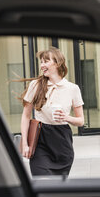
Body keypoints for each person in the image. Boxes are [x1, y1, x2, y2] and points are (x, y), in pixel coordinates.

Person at [20, 47, 84, 176]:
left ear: (57, 63)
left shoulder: (72, 89)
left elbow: (81, 121)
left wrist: (66, 117)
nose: (42, 65)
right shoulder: (35, 85)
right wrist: (25, 144)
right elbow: (26, 116)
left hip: (62, 141)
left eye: (46, 61)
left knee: (58, 187)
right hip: (40, 138)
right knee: (41, 180)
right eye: (41, 62)